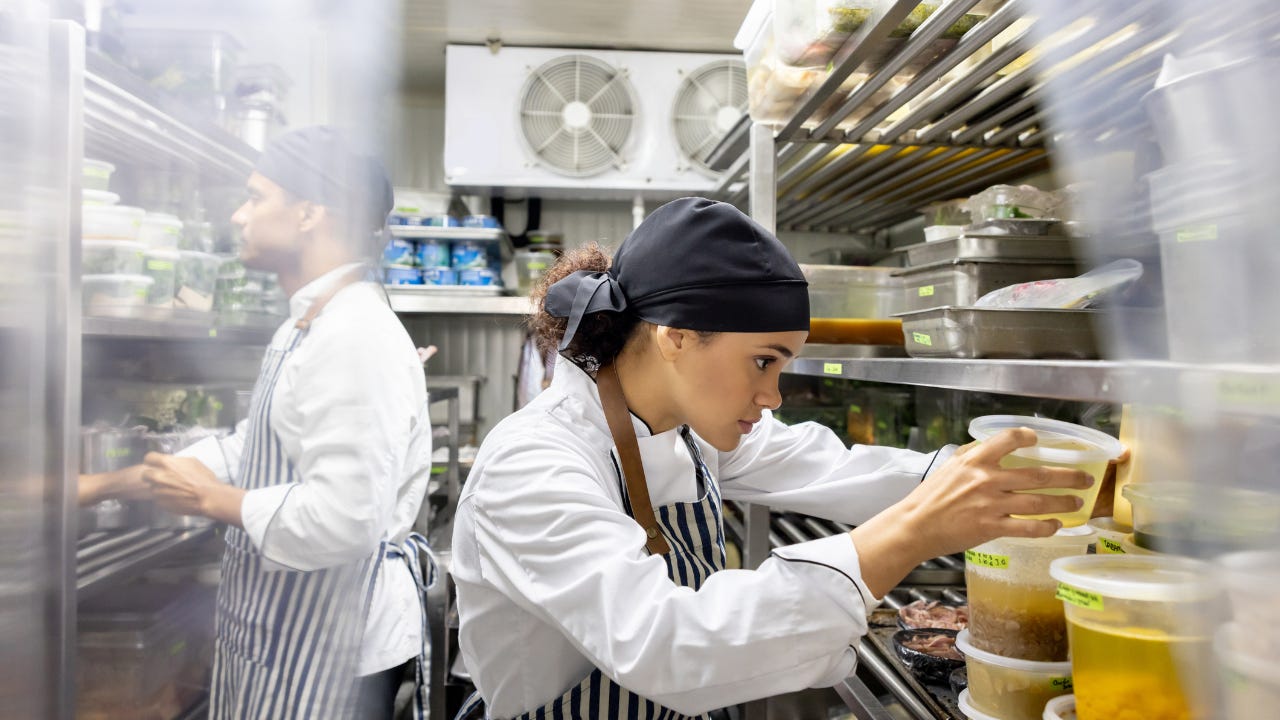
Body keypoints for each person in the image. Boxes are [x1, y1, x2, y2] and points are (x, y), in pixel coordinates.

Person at [450, 198, 1093, 719]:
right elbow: (668, 646)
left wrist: (982, 476)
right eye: (763, 361)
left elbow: (826, 463)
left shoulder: (682, 428)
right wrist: (912, 533)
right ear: (675, 336)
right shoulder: (533, 464)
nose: (773, 395)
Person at [136, 127, 434, 718]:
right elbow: (261, 441)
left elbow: (344, 519)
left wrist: (213, 500)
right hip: (293, 631)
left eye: (255, 197)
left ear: (309, 212)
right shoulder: (311, 318)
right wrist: (119, 481)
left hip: (336, 649)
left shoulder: (354, 333)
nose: (239, 215)